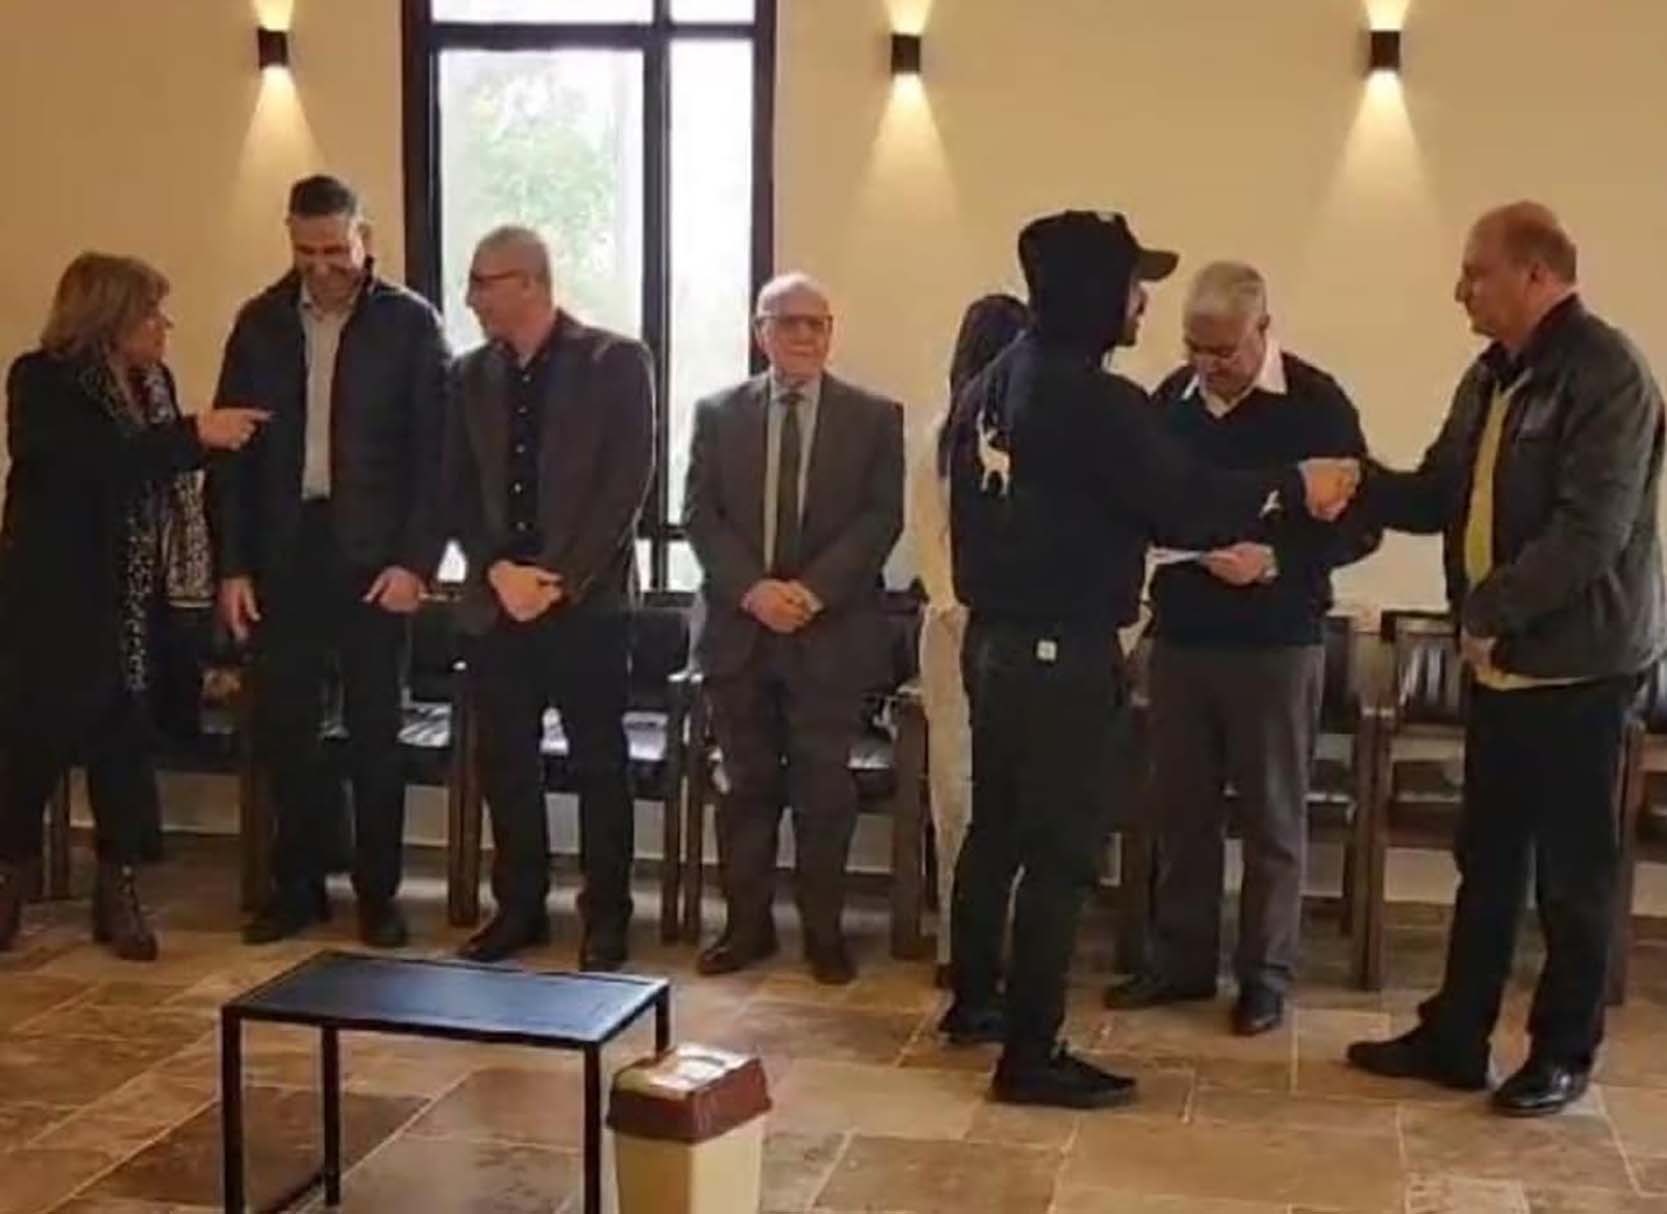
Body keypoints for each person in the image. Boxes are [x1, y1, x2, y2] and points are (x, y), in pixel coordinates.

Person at [942, 210, 1358, 1108]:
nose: (1142, 303)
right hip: (1060, 649)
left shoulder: (994, 381)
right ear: (1096, 293)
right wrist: (1292, 484)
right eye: (1134, 285)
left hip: (998, 642)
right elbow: (1185, 501)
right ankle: (1030, 1053)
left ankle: (974, 1002)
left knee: (999, 827)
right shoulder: (1094, 398)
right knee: (1060, 852)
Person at [1345, 202, 1665, 1117]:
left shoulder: (1607, 375)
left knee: (1572, 876)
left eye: (1475, 272)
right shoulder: (1491, 376)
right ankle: (1455, 1036)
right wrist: (1354, 483)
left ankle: (1561, 1053)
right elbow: (1438, 493)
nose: (1460, 291)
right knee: (1484, 860)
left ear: (1536, 273)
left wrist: (1485, 613)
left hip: (1579, 668)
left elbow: (1589, 534)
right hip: (1501, 666)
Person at [1106, 262, 1378, 1036]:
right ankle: (1181, 961)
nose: (1205, 364)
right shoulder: (1169, 401)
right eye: (1193, 346)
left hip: (1275, 640)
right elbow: (1143, 502)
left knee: (1270, 818)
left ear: (1262, 329)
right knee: (1180, 812)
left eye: (1222, 350)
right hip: (1181, 636)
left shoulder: (1317, 404)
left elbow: (1362, 525)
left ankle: (1265, 976)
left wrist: (1278, 559)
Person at [0, 253, 266, 959]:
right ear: (110, 318)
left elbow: (158, 475)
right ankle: (9, 878)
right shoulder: (41, 380)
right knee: (31, 745)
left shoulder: (155, 384)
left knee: (123, 745)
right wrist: (192, 435)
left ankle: (118, 890)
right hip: (55, 598)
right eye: (151, 313)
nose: (163, 326)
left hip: (137, 601)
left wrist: (200, 445)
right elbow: (92, 467)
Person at [210, 175, 449, 949]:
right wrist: (233, 566)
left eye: (334, 250)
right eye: (305, 251)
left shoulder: (409, 324)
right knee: (287, 732)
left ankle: (378, 895)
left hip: (375, 557)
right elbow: (232, 458)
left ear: (362, 238)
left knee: (376, 732)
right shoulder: (259, 324)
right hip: (284, 552)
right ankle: (298, 887)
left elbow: (437, 456)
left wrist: (416, 562)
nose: (321, 267)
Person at [684, 272, 905, 985]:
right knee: (744, 788)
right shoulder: (718, 414)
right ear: (761, 332)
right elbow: (700, 515)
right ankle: (745, 929)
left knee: (823, 794)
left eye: (817, 323)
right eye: (788, 322)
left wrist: (809, 593)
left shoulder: (875, 417)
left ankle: (823, 934)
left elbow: (880, 519)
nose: (805, 335)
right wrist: (754, 592)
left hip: (829, 634)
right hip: (739, 634)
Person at [445, 225, 654, 968]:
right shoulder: (467, 375)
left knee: (599, 761)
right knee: (506, 762)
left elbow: (625, 484)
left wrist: (560, 578)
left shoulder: (614, 361)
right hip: (496, 599)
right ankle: (519, 908)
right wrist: (497, 569)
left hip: (586, 604)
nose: (471, 299)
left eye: (483, 282)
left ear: (530, 283)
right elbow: (455, 486)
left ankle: (606, 917)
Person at [908, 293, 1029, 986]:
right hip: (955, 639)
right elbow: (929, 539)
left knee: (1019, 794)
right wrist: (960, 613)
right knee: (957, 795)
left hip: (1022, 639)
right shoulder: (940, 435)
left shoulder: (1041, 432)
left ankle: (1016, 941)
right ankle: (961, 947)